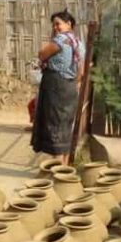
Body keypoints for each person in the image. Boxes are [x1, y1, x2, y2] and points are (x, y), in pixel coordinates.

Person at [31, 9, 85, 165]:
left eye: (58, 24)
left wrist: (52, 40)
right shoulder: (78, 43)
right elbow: (81, 71)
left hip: (56, 87)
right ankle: (65, 165)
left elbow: (42, 54)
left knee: (54, 125)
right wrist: (73, 83)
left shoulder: (61, 40)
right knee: (66, 124)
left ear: (69, 24)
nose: (55, 27)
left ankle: (57, 169)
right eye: (53, 25)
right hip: (70, 87)